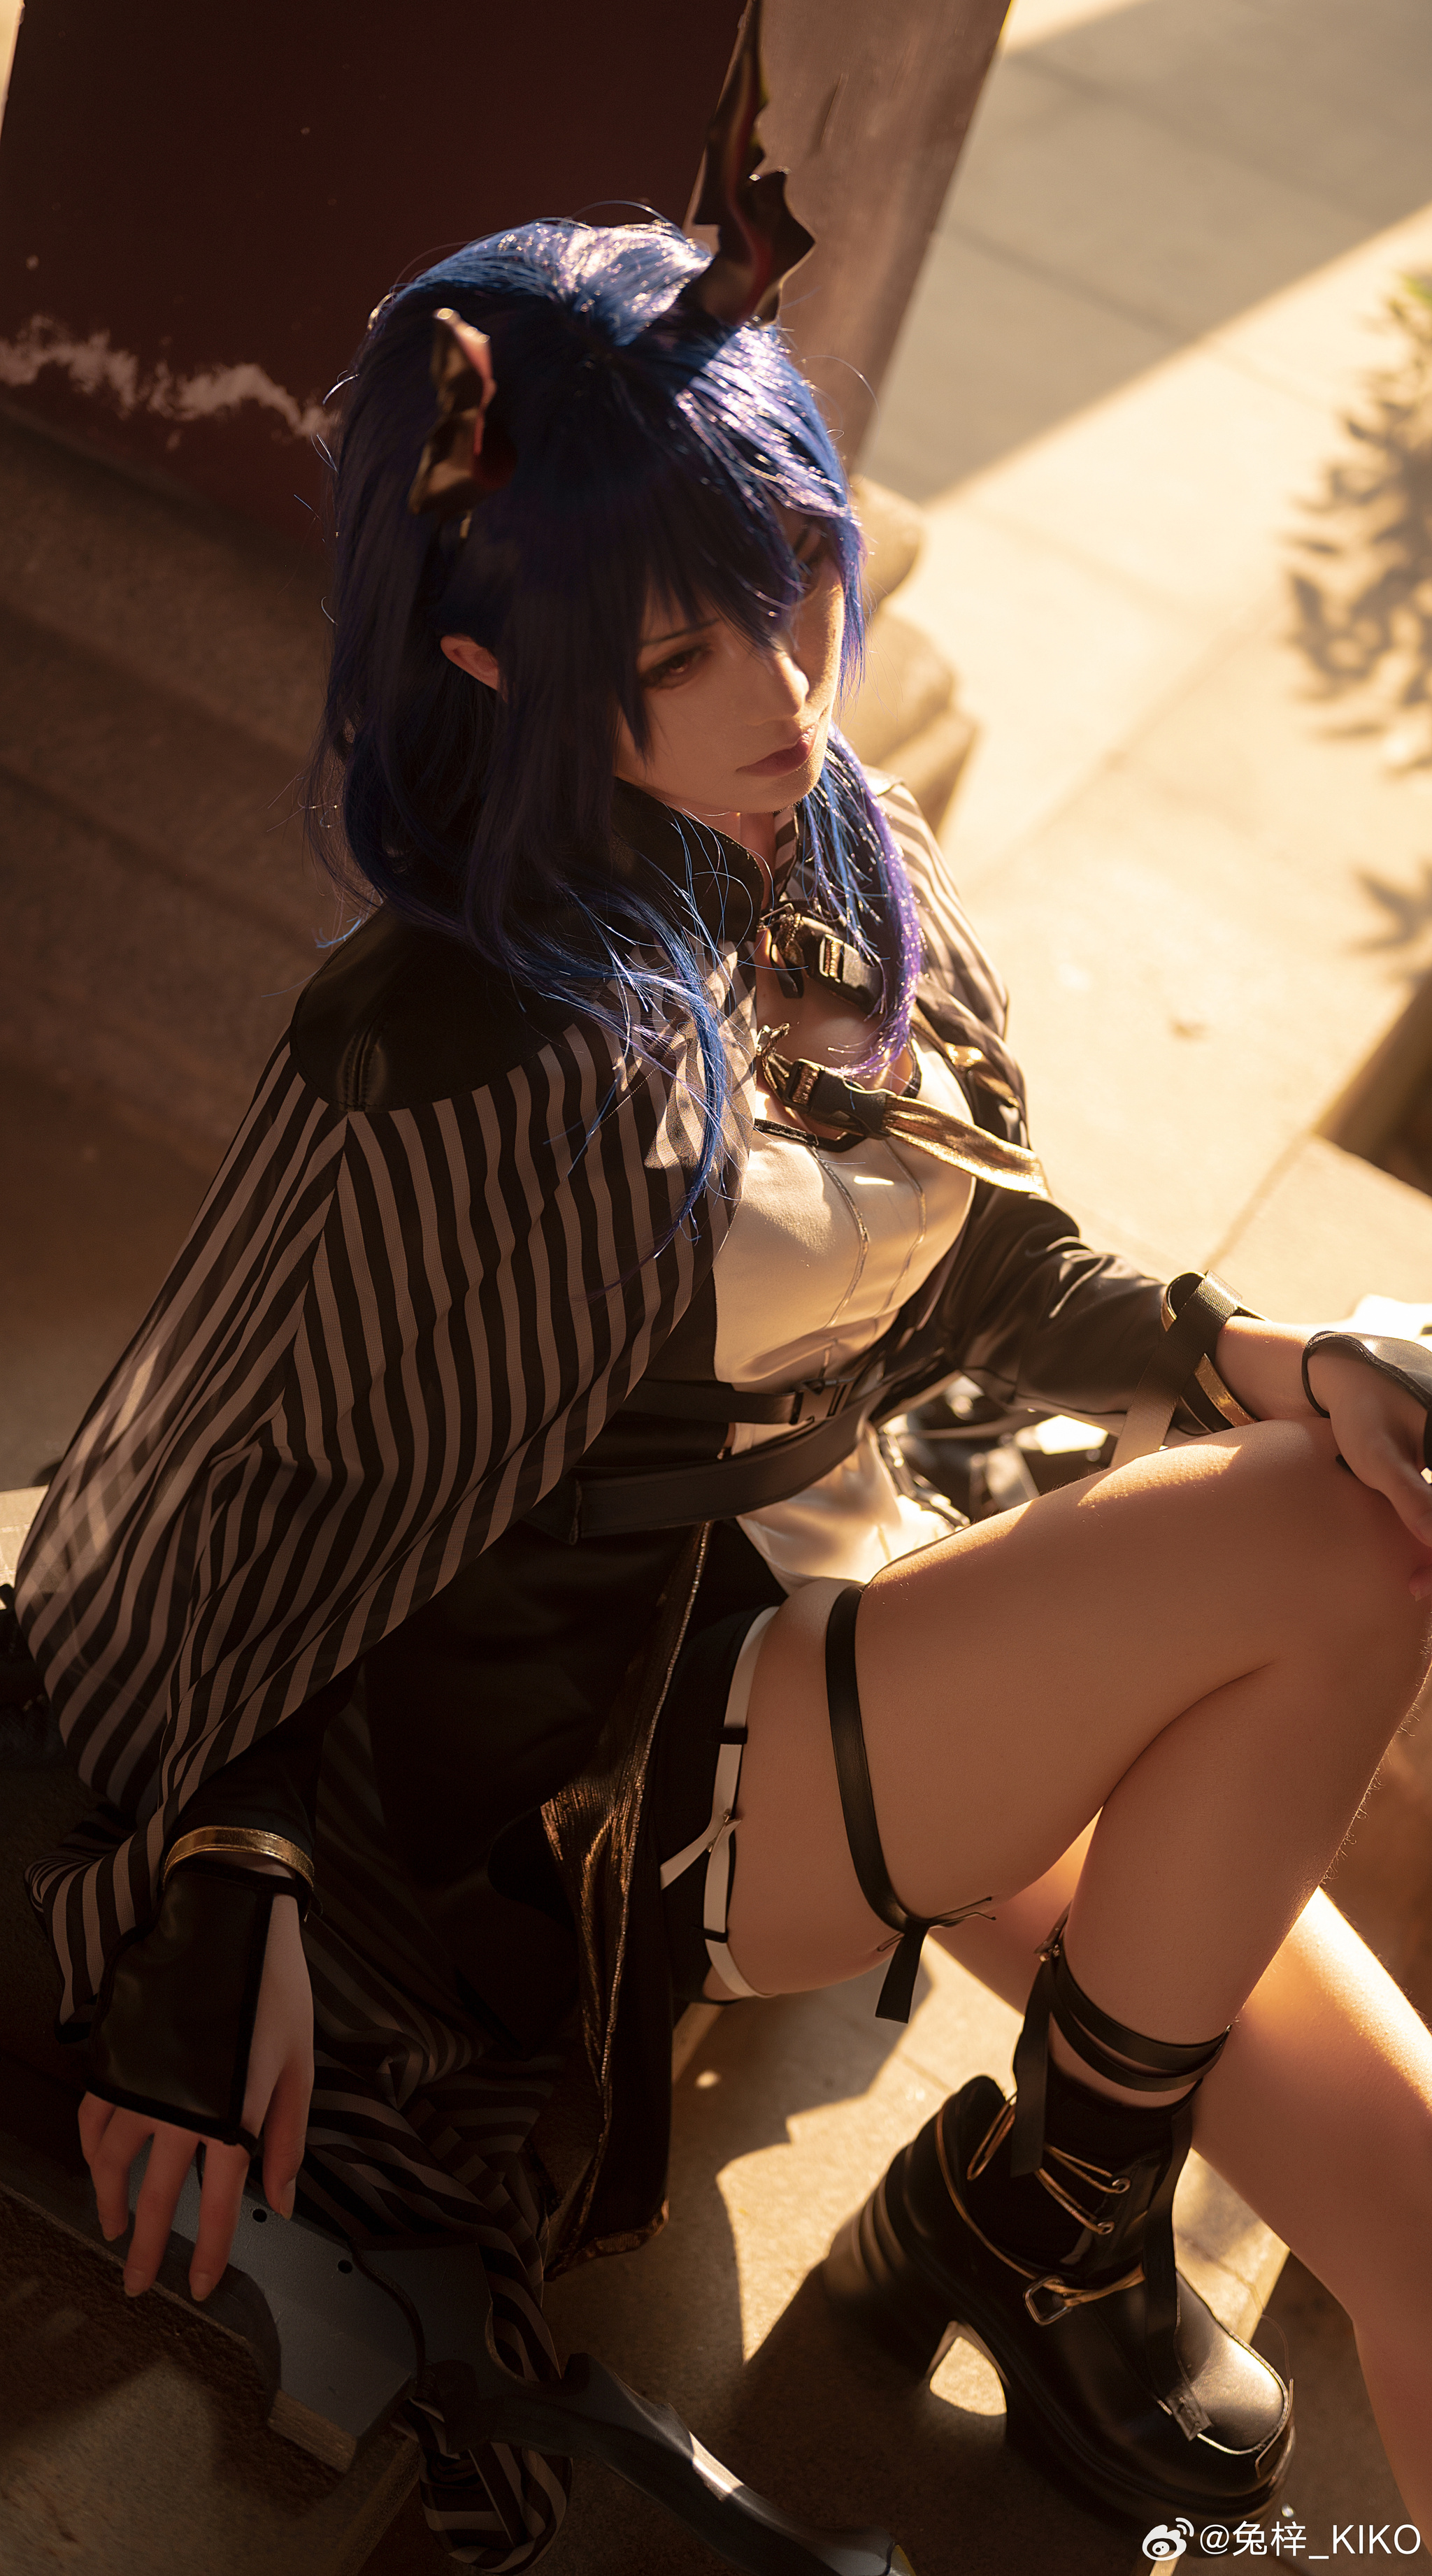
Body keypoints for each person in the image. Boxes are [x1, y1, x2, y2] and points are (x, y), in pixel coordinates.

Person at [14, 188, 1432, 2568]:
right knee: (1332, 1537)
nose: (786, 692)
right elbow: (249, 1491)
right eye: (684, 648)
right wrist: (210, 1892)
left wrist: (1240, 1344)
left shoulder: (821, 837)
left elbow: (955, 1251)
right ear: (494, 658)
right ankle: (1043, 2225)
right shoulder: (446, 1050)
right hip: (615, 1785)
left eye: (792, 585)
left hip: (868, 1620)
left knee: (1418, 2193)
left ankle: (1046, 2217)